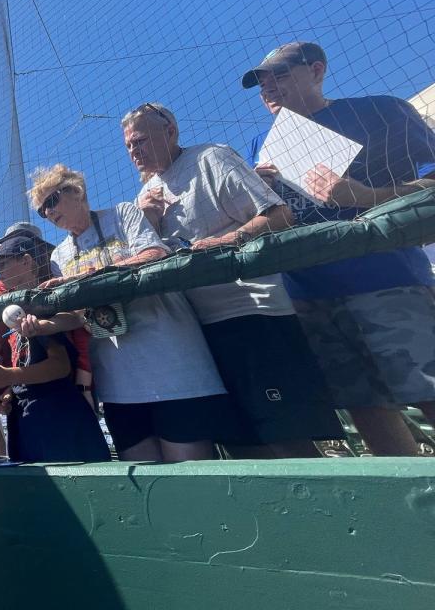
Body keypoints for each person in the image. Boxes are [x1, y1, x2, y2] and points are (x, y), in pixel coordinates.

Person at [243, 41, 435, 455]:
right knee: (365, 407)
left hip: (390, 279)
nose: (268, 88)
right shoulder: (259, 144)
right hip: (309, 296)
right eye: (261, 82)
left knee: (428, 389)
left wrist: (365, 195)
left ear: (316, 70)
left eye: (279, 75)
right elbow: (269, 222)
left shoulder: (381, 110)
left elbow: (432, 183)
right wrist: (262, 197)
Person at [126, 101, 343, 457]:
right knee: (238, 445)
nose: (134, 150)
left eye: (140, 140)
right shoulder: (145, 195)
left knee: (286, 436)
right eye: (129, 146)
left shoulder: (212, 158)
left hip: (253, 315)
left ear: (170, 131)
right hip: (195, 335)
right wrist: (147, 221)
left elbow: (279, 215)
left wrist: (227, 240)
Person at [30, 164, 234, 461]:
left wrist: (81, 278)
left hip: (173, 369)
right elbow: (75, 315)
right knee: (145, 479)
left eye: (51, 201)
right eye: (41, 211)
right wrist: (42, 327)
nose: (48, 213)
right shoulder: (59, 254)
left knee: (190, 476)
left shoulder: (122, 214)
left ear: (76, 191)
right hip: (118, 383)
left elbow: (154, 254)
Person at [0, 235, 110, 462]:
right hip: (25, 413)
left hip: (57, 413)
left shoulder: (43, 301)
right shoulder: (11, 308)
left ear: (26, 261)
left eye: (4, 263)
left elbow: (60, 366)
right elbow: (22, 364)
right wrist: (9, 393)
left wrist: (9, 376)